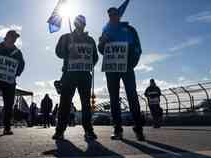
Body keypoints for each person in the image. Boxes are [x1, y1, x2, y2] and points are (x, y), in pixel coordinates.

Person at [98, 7, 145, 141]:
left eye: (115, 14)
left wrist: (131, 63)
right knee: (114, 98)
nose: (113, 17)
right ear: (109, 17)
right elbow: (101, 49)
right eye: (110, 15)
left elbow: (138, 48)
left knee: (132, 96)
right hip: (111, 69)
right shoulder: (105, 30)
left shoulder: (130, 30)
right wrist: (102, 42)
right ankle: (117, 129)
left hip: (127, 67)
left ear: (119, 15)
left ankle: (138, 129)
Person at [52, 15, 99, 140]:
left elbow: (95, 57)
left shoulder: (90, 40)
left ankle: (88, 130)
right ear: (74, 23)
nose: (80, 24)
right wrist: (67, 48)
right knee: (65, 103)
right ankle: (60, 131)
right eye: (78, 22)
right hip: (69, 74)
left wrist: (88, 64)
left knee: (86, 104)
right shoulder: (66, 37)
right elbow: (58, 53)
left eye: (82, 22)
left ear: (84, 24)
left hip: (84, 75)